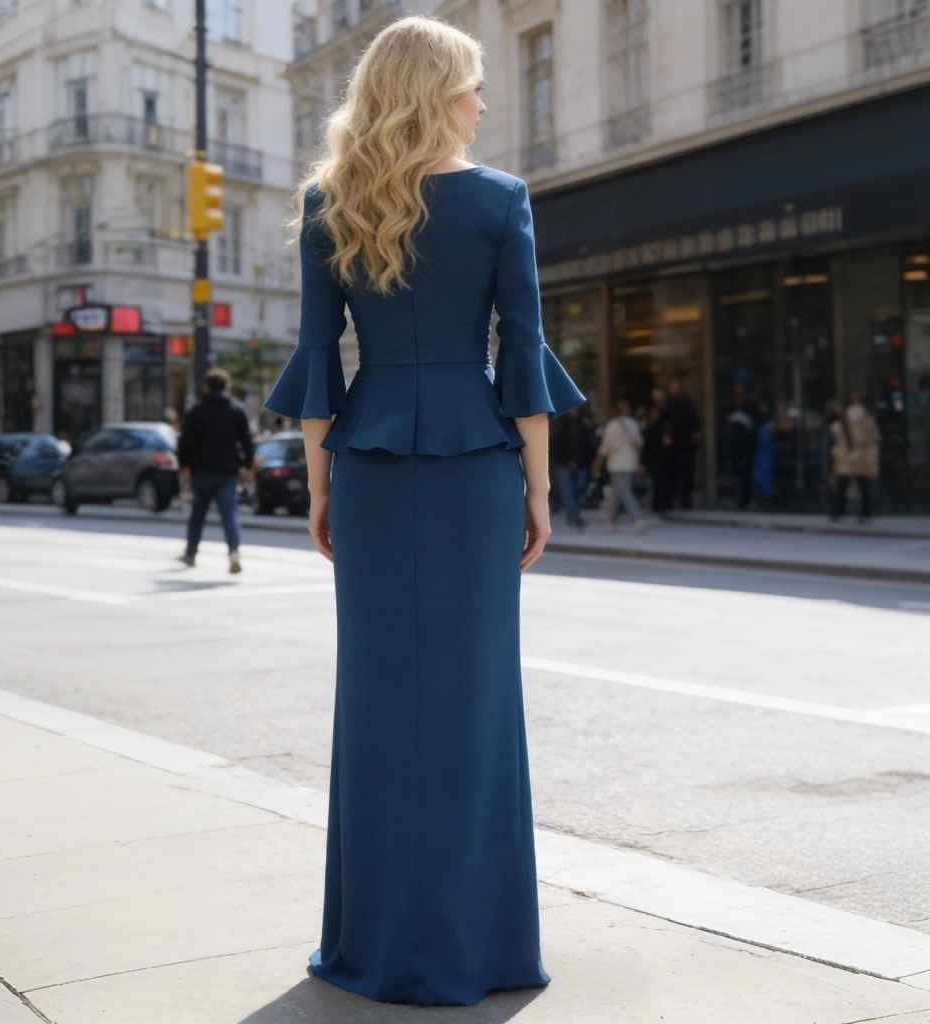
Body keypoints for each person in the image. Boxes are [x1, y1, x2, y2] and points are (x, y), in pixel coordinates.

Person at [261, 16, 584, 1007]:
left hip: (365, 467)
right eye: (471, 87)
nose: (482, 104)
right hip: (474, 468)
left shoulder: (330, 202)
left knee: (375, 704)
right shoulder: (498, 201)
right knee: (475, 708)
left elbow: (320, 369)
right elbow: (520, 363)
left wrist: (319, 487)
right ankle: (473, 947)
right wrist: (535, 490)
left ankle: (373, 941)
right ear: (435, 91)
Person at [177, 367, 255, 573]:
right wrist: (248, 465)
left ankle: (191, 553)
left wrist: (184, 465)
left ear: (206, 387)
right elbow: (247, 440)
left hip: (201, 471)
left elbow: (185, 442)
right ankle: (234, 552)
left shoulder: (197, 410)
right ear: (226, 386)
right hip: (228, 472)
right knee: (230, 514)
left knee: (197, 514)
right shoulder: (237, 410)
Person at [598, 400, 647, 533]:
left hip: (616, 463)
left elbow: (606, 447)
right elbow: (639, 443)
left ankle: (638, 518)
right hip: (630, 462)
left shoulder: (612, 425)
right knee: (615, 493)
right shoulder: (633, 424)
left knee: (624, 492)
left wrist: (598, 461)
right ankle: (611, 520)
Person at [829, 392, 879, 523]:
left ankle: (865, 513)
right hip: (847, 458)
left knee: (862, 486)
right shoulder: (842, 423)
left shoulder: (864, 421)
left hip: (859, 458)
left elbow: (867, 440)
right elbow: (839, 440)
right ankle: (838, 512)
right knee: (843, 486)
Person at [549, 408, 592, 527]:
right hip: (563, 463)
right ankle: (574, 515)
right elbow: (557, 445)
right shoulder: (559, 425)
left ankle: (573, 514)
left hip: (580, 463)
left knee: (578, 490)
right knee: (567, 491)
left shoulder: (583, 425)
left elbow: (586, 445)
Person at [666, 377, 700, 509]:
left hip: (685, 444)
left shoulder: (686, 402)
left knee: (686, 473)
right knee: (673, 473)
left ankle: (685, 500)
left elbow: (693, 420)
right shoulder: (668, 403)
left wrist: (695, 433)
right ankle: (672, 499)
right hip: (672, 446)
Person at [642, 386, 673, 513]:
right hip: (658, 457)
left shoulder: (662, 421)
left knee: (662, 481)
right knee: (659, 481)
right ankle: (660, 504)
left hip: (661, 457)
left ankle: (661, 504)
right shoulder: (655, 425)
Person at [728, 383, 759, 510]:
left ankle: (745, 500)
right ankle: (738, 499)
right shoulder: (731, 405)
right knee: (737, 472)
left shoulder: (751, 405)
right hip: (735, 445)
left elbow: (754, 424)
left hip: (747, 445)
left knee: (746, 472)